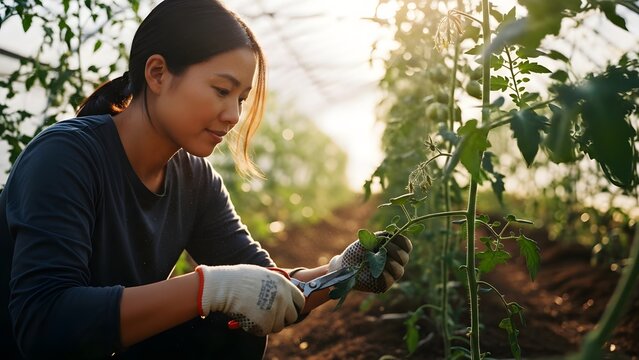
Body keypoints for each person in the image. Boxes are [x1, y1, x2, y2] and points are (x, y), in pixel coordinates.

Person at [0, 0, 413, 359]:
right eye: (221, 90)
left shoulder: (194, 179)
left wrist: (339, 273)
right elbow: (43, 326)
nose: (234, 115)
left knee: (228, 334)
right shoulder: (66, 156)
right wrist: (208, 288)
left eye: (241, 99)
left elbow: (265, 288)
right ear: (158, 74)